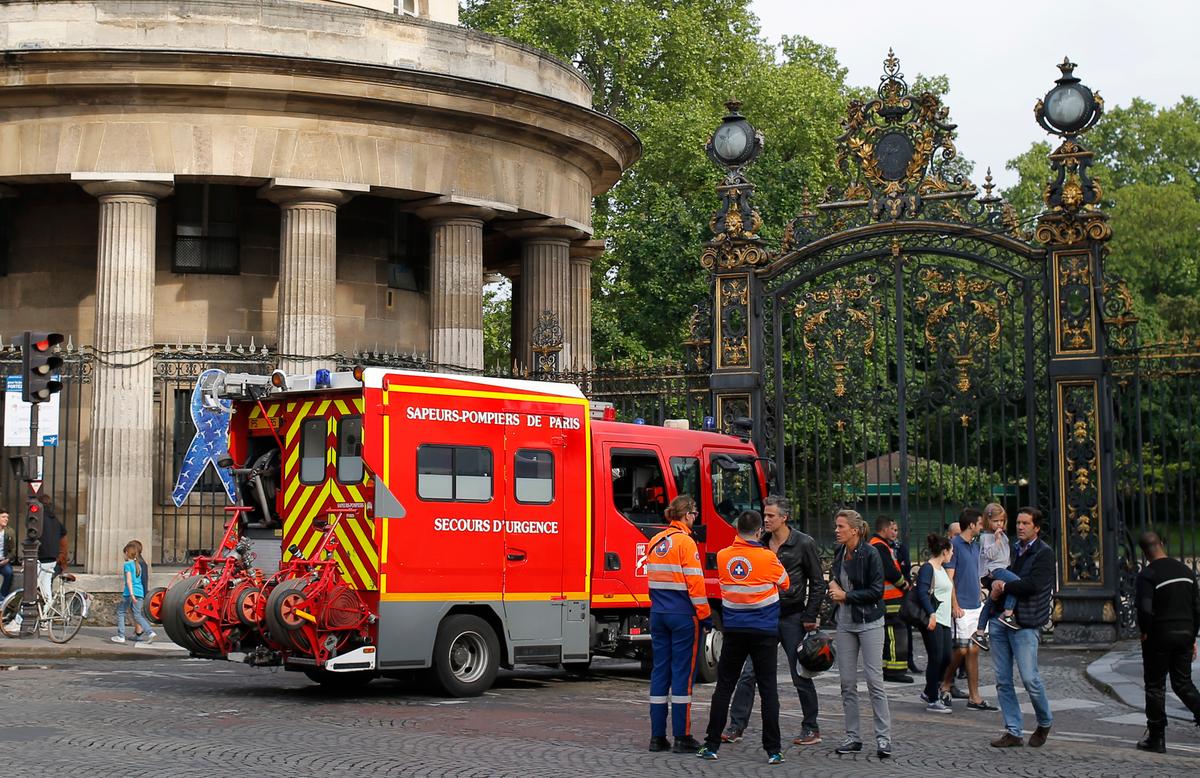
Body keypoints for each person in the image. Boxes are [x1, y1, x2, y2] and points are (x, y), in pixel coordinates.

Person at [722, 495, 826, 746]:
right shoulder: (760, 542)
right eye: (764, 515)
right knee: (748, 673)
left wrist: (810, 615)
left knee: (800, 672)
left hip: (792, 616)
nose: (766, 519)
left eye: (771, 515)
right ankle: (736, 725)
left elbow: (818, 581)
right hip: (762, 617)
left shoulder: (803, 543)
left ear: (784, 517)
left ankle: (811, 727)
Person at [699, 510, 789, 765]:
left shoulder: (724, 556)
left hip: (735, 630)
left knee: (724, 686)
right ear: (760, 531)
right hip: (764, 632)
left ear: (736, 529)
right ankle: (773, 750)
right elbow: (786, 584)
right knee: (768, 689)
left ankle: (711, 744)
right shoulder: (768, 557)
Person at [646, 495, 710, 754]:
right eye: (694, 514)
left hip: (658, 613)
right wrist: (705, 615)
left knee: (660, 672)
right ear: (687, 515)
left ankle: (657, 737)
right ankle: (682, 736)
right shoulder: (685, 542)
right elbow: (695, 583)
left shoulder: (655, 541)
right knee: (682, 674)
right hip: (683, 615)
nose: (695, 518)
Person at [988, 506, 1054, 748]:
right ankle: (1013, 731)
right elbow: (992, 571)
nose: (1020, 526)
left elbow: (1033, 585)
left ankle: (1045, 720)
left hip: (1025, 622)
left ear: (1036, 527)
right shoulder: (1010, 547)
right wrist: (994, 582)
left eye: (1025, 523)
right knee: (1003, 680)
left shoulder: (1044, 553)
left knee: (1029, 678)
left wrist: (1004, 587)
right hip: (999, 619)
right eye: (1018, 522)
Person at [829, 509, 892, 759]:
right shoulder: (839, 552)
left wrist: (846, 596)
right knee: (847, 683)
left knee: (875, 682)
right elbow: (836, 579)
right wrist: (833, 587)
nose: (837, 530)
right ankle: (853, 736)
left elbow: (877, 591)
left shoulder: (871, 553)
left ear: (854, 530)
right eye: (836, 526)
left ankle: (883, 738)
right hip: (845, 622)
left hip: (870, 621)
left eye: (841, 526)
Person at [1134, 531, 1200, 753]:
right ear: (1162, 544)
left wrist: (1145, 632)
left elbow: (1144, 608)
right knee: (1183, 683)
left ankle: (1157, 737)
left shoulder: (1147, 575)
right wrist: (1192, 637)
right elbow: (1196, 607)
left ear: (1144, 552)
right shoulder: (1186, 571)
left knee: (1155, 686)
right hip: (1184, 633)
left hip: (1159, 636)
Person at [941, 508, 997, 712]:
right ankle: (946, 684)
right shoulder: (954, 546)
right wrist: (954, 605)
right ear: (971, 525)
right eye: (980, 524)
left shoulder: (975, 546)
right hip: (961, 606)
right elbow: (950, 578)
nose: (982, 527)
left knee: (973, 651)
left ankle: (974, 696)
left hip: (975, 605)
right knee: (962, 649)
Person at [870, 516, 912, 683]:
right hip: (891, 598)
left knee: (889, 635)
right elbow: (890, 571)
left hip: (887, 598)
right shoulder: (879, 546)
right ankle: (895, 671)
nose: (894, 532)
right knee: (896, 634)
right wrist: (904, 584)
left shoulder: (878, 544)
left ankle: (887, 668)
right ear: (884, 529)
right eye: (892, 528)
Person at [915, 533, 954, 713]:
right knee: (936, 658)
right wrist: (931, 614)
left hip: (945, 621)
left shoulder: (942, 569)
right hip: (933, 620)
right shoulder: (928, 568)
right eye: (951, 551)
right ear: (944, 551)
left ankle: (929, 690)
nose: (952, 555)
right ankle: (932, 698)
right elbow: (922, 593)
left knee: (946, 657)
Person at [112, 540, 155, 644]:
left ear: (127, 553)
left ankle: (121, 635)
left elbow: (129, 581)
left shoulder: (128, 564)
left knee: (121, 612)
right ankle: (149, 632)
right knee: (137, 614)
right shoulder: (139, 565)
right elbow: (142, 580)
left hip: (129, 593)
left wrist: (131, 594)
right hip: (139, 592)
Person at [35, 495, 68, 605]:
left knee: (31, 587)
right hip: (53, 559)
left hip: (43, 558)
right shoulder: (54, 519)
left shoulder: (38, 519)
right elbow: (63, 534)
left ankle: (19, 618)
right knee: (46, 589)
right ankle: (46, 617)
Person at [130, 539, 152, 642]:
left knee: (137, 613)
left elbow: (143, 580)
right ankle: (137, 632)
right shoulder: (139, 563)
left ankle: (141, 633)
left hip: (138, 592)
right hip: (138, 591)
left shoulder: (140, 564)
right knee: (135, 612)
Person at [0, 509, 15, 599]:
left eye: (7, 517)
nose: (6, 519)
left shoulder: (10, 531)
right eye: (3, 517)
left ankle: (2, 596)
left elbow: (12, 550)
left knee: (9, 573)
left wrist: (7, 559)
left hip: (3, 561)